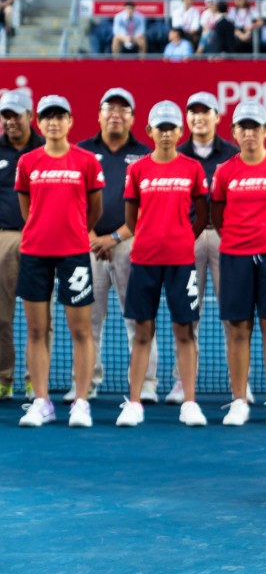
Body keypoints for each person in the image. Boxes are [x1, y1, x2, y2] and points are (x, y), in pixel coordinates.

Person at [117, 101, 209, 427]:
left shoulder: (192, 169)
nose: (166, 134)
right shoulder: (137, 170)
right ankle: (134, 403)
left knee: (185, 332)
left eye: (171, 128)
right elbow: (131, 219)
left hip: (181, 261)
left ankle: (190, 403)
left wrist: (184, 237)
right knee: (143, 333)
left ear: (180, 131)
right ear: (149, 131)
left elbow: (202, 214)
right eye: (161, 128)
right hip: (144, 260)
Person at [16, 95, 104, 428]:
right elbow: (27, 209)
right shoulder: (28, 162)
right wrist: (41, 229)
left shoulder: (86, 162)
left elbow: (94, 209)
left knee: (81, 330)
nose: (53, 122)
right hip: (35, 252)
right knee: (37, 330)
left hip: (74, 253)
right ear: (39, 122)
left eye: (60, 116)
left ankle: (81, 402)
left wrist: (77, 231)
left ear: (70, 122)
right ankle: (41, 402)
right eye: (47, 117)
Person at [210, 101, 266, 427]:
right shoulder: (225, 172)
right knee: (238, 329)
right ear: (234, 133)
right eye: (243, 127)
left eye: (255, 127)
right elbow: (218, 215)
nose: (249, 133)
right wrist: (240, 239)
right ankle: (239, 401)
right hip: (234, 256)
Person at [73, 87, 156, 403]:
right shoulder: (81, 152)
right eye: (110, 108)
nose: (116, 114)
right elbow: (73, 200)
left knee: (138, 317)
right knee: (87, 319)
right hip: (88, 243)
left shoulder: (146, 156)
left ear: (133, 118)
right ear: (99, 115)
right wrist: (93, 236)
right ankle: (86, 382)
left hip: (130, 243)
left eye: (124, 109)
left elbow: (148, 205)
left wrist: (116, 236)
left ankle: (146, 382)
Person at [174, 91, 244, 405]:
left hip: (225, 237)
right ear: (186, 119)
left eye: (206, 112)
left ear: (217, 117)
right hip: (188, 237)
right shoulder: (176, 155)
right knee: (187, 312)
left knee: (233, 312)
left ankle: (238, 385)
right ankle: (181, 383)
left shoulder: (234, 155)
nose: (199, 118)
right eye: (194, 112)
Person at [0, 90, 43, 401]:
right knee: (1, 315)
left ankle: (34, 381)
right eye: (5, 116)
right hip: (3, 238)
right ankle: (4, 379)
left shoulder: (47, 149)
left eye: (16, 115)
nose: (10, 121)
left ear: (31, 116)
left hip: (43, 240)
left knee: (39, 318)